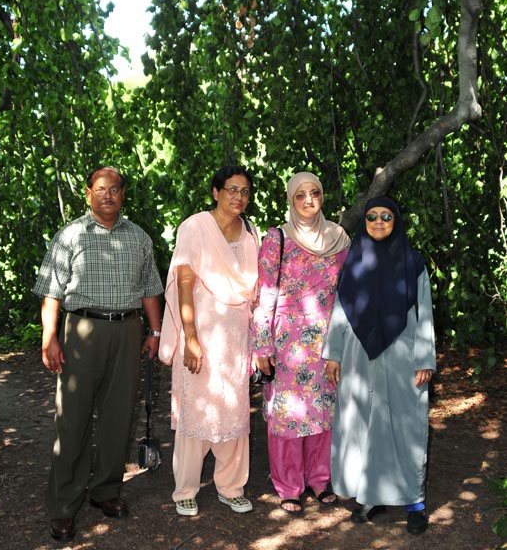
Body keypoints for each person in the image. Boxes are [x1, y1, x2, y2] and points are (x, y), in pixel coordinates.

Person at [33, 165, 163, 542]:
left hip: (127, 330)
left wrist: (154, 332)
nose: (108, 195)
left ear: (123, 194)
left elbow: (150, 289)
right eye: (101, 189)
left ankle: (105, 490)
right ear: (88, 193)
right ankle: (63, 505)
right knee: (72, 419)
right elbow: (51, 292)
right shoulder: (70, 235)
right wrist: (49, 336)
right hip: (82, 330)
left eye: (114, 189)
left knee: (118, 416)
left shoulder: (138, 237)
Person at [323, 195, 436, 535]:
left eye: (386, 216)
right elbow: (340, 310)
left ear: (396, 221)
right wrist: (333, 353)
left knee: (404, 425)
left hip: (402, 355)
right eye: (372, 216)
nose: (378, 222)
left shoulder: (412, 262)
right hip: (357, 356)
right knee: (363, 424)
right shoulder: (354, 261)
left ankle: (414, 502)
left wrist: (424, 358)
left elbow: (425, 311)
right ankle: (371, 495)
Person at [158, 165, 259, 517]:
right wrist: (190, 337)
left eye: (244, 191)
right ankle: (185, 489)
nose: (238, 197)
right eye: (232, 189)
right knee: (196, 408)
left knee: (234, 408)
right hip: (201, 330)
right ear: (216, 192)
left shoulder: (250, 232)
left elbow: (255, 290)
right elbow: (184, 282)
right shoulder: (195, 226)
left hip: (236, 336)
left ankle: (231, 487)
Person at [252, 172, 350, 514]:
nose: (309, 200)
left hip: (328, 339)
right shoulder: (277, 238)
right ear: (291, 200)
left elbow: (348, 291)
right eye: (300, 195)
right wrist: (262, 345)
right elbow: (265, 294)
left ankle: (320, 480)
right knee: (288, 415)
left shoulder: (339, 238)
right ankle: (289, 485)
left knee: (324, 412)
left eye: (315, 193)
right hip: (287, 343)